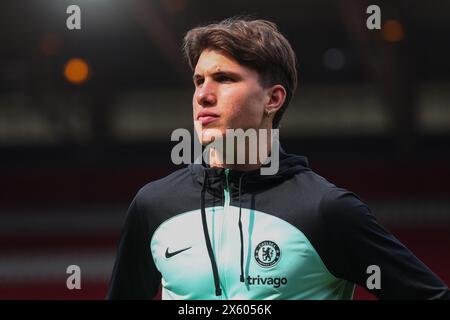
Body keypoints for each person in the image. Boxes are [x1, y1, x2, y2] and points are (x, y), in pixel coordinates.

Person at [107, 17, 449, 300]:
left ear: (273, 99)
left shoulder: (326, 210)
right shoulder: (152, 204)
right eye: (199, 80)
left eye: (224, 79)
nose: (203, 95)